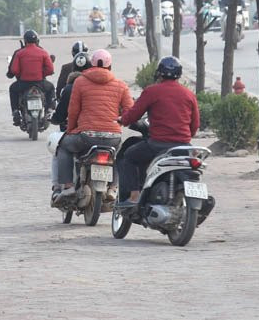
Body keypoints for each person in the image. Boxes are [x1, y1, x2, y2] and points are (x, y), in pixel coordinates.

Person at [115, 56, 200, 208]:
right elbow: (195, 126)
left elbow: (134, 115)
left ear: (160, 73)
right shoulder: (189, 94)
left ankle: (135, 196)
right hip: (184, 146)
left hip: (158, 145)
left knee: (128, 156)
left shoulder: (152, 91)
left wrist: (123, 119)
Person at [54, 50, 133, 200]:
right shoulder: (121, 85)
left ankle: (69, 187)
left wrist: (71, 130)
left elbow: (73, 111)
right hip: (113, 137)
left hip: (86, 136)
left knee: (63, 147)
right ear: (110, 66)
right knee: (120, 155)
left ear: (92, 64)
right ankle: (113, 188)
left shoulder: (80, 82)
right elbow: (129, 111)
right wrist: (120, 123)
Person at [48, 51, 91, 194]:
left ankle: (62, 186)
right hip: (107, 133)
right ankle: (113, 187)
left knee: (60, 148)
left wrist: (56, 120)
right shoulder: (106, 84)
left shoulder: (70, 89)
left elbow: (64, 114)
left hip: (81, 133)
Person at [6, 30, 55, 124]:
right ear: (37, 40)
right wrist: (41, 74)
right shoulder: (43, 52)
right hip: (40, 82)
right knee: (51, 88)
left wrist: (22, 74)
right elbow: (50, 70)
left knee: (12, 88)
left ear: (25, 41)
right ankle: (49, 109)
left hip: (23, 83)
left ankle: (16, 112)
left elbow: (14, 70)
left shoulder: (19, 53)